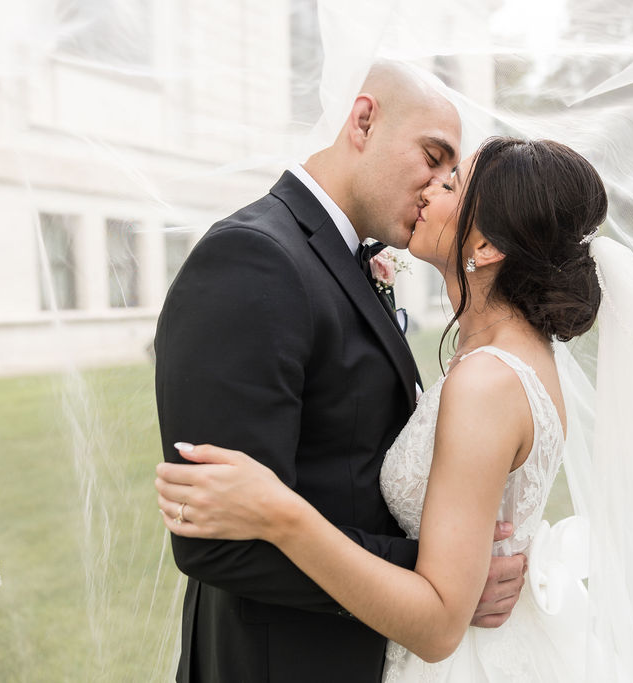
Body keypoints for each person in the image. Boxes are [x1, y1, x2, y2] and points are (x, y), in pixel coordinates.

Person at [156, 136, 607, 681]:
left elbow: (441, 623)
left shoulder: (487, 381)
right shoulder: (514, 354)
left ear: (485, 248)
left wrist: (280, 512)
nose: (430, 189)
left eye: (451, 184)